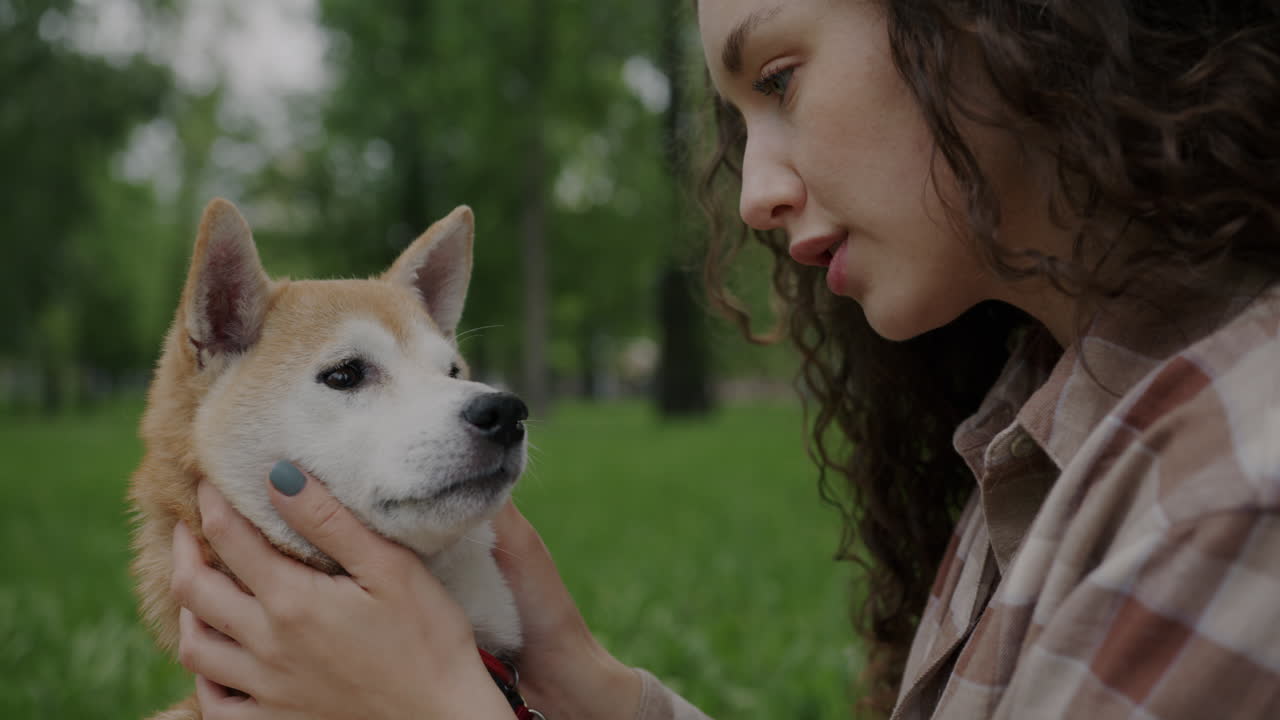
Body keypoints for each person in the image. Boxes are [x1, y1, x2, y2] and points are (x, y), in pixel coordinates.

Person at [169, 0, 1280, 717]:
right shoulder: (1037, 416)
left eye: (780, 80)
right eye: (737, 122)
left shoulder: (1226, 494)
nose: (751, 196)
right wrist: (597, 694)